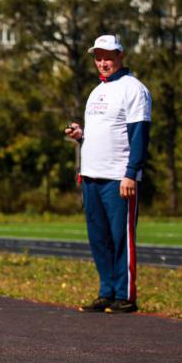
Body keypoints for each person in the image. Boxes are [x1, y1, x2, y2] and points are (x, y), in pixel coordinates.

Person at [66, 34, 151, 314]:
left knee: (120, 238)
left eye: (108, 57)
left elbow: (139, 135)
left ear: (120, 56)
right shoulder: (97, 91)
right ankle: (107, 291)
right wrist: (81, 135)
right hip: (91, 176)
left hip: (118, 178)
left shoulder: (133, 89)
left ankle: (125, 295)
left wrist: (131, 173)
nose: (103, 62)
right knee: (99, 239)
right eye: (98, 58)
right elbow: (102, 133)